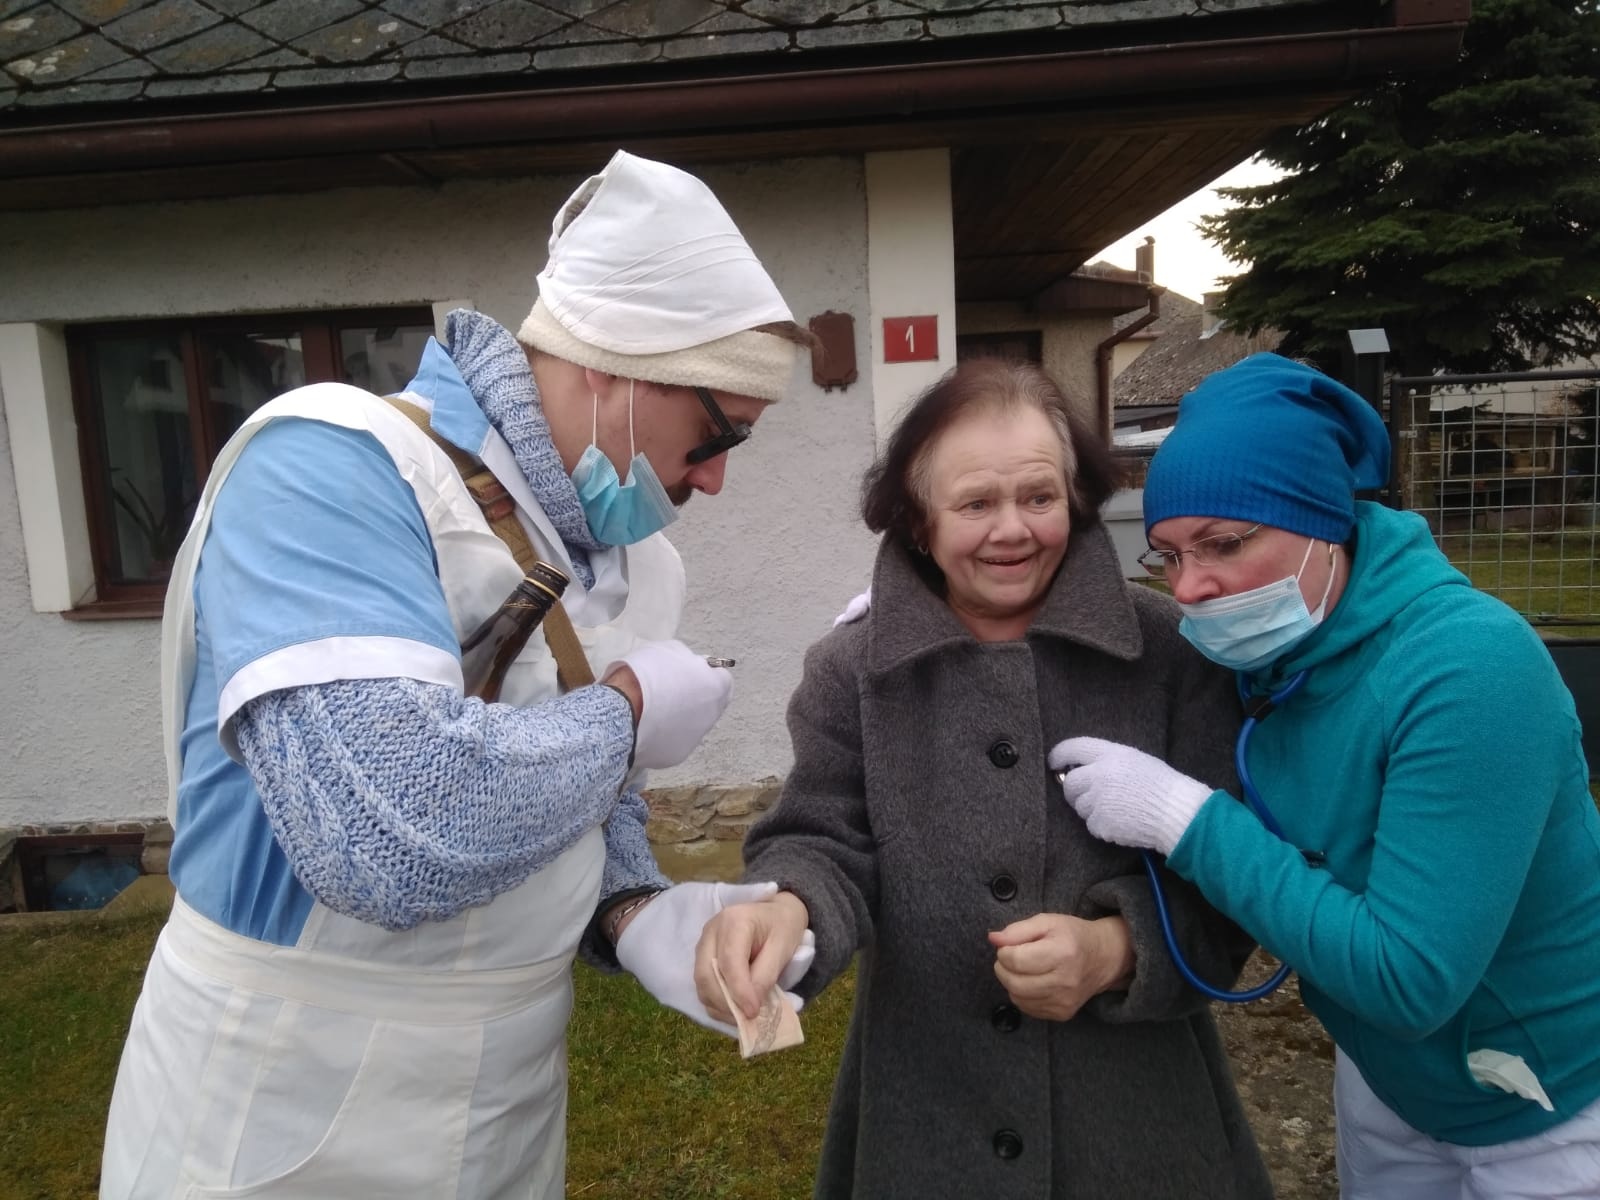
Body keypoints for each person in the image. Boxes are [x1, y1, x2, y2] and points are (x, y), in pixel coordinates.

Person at [102, 150, 813, 1199]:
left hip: (508, 1100)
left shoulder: (638, 563)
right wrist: (624, 713)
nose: (712, 479)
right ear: (611, 363)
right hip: (282, 1089)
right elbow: (390, 834)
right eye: (719, 435)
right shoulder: (328, 468)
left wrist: (634, 910)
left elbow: (578, 793)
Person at [694, 359, 1274, 1199]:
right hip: (928, 1103)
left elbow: (1235, 878)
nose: (1012, 530)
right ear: (918, 520)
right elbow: (822, 837)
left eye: (1038, 497)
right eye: (974, 504)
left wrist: (1117, 951)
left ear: (1076, 498)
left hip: (1138, 1114)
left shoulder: (1172, 655)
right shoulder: (851, 670)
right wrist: (789, 906)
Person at [1054, 353, 1600, 1199]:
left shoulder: (1468, 669)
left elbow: (1408, 978)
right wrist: (954, 609)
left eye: (1224, 544)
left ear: (1320, 523)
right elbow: (1136, 645)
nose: (1192, 588)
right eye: (1167, 555)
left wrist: (1186, 821)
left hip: (1547, 1107)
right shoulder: (1278, 647)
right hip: (1388, 1081)